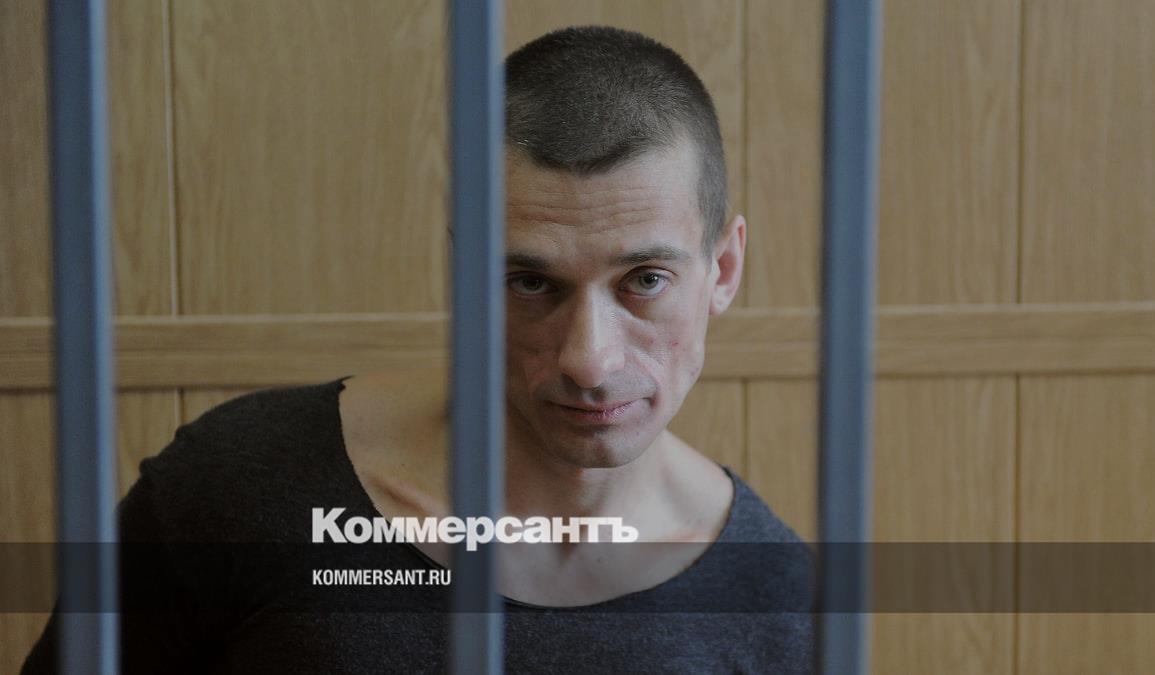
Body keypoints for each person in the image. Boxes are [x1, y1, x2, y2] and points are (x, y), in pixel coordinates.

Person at [23, 25, 813, 674]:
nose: (589, 360)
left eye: (644, 280)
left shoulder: (775, 595)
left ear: (723, 270)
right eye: (530, 282)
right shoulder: (234, 488)